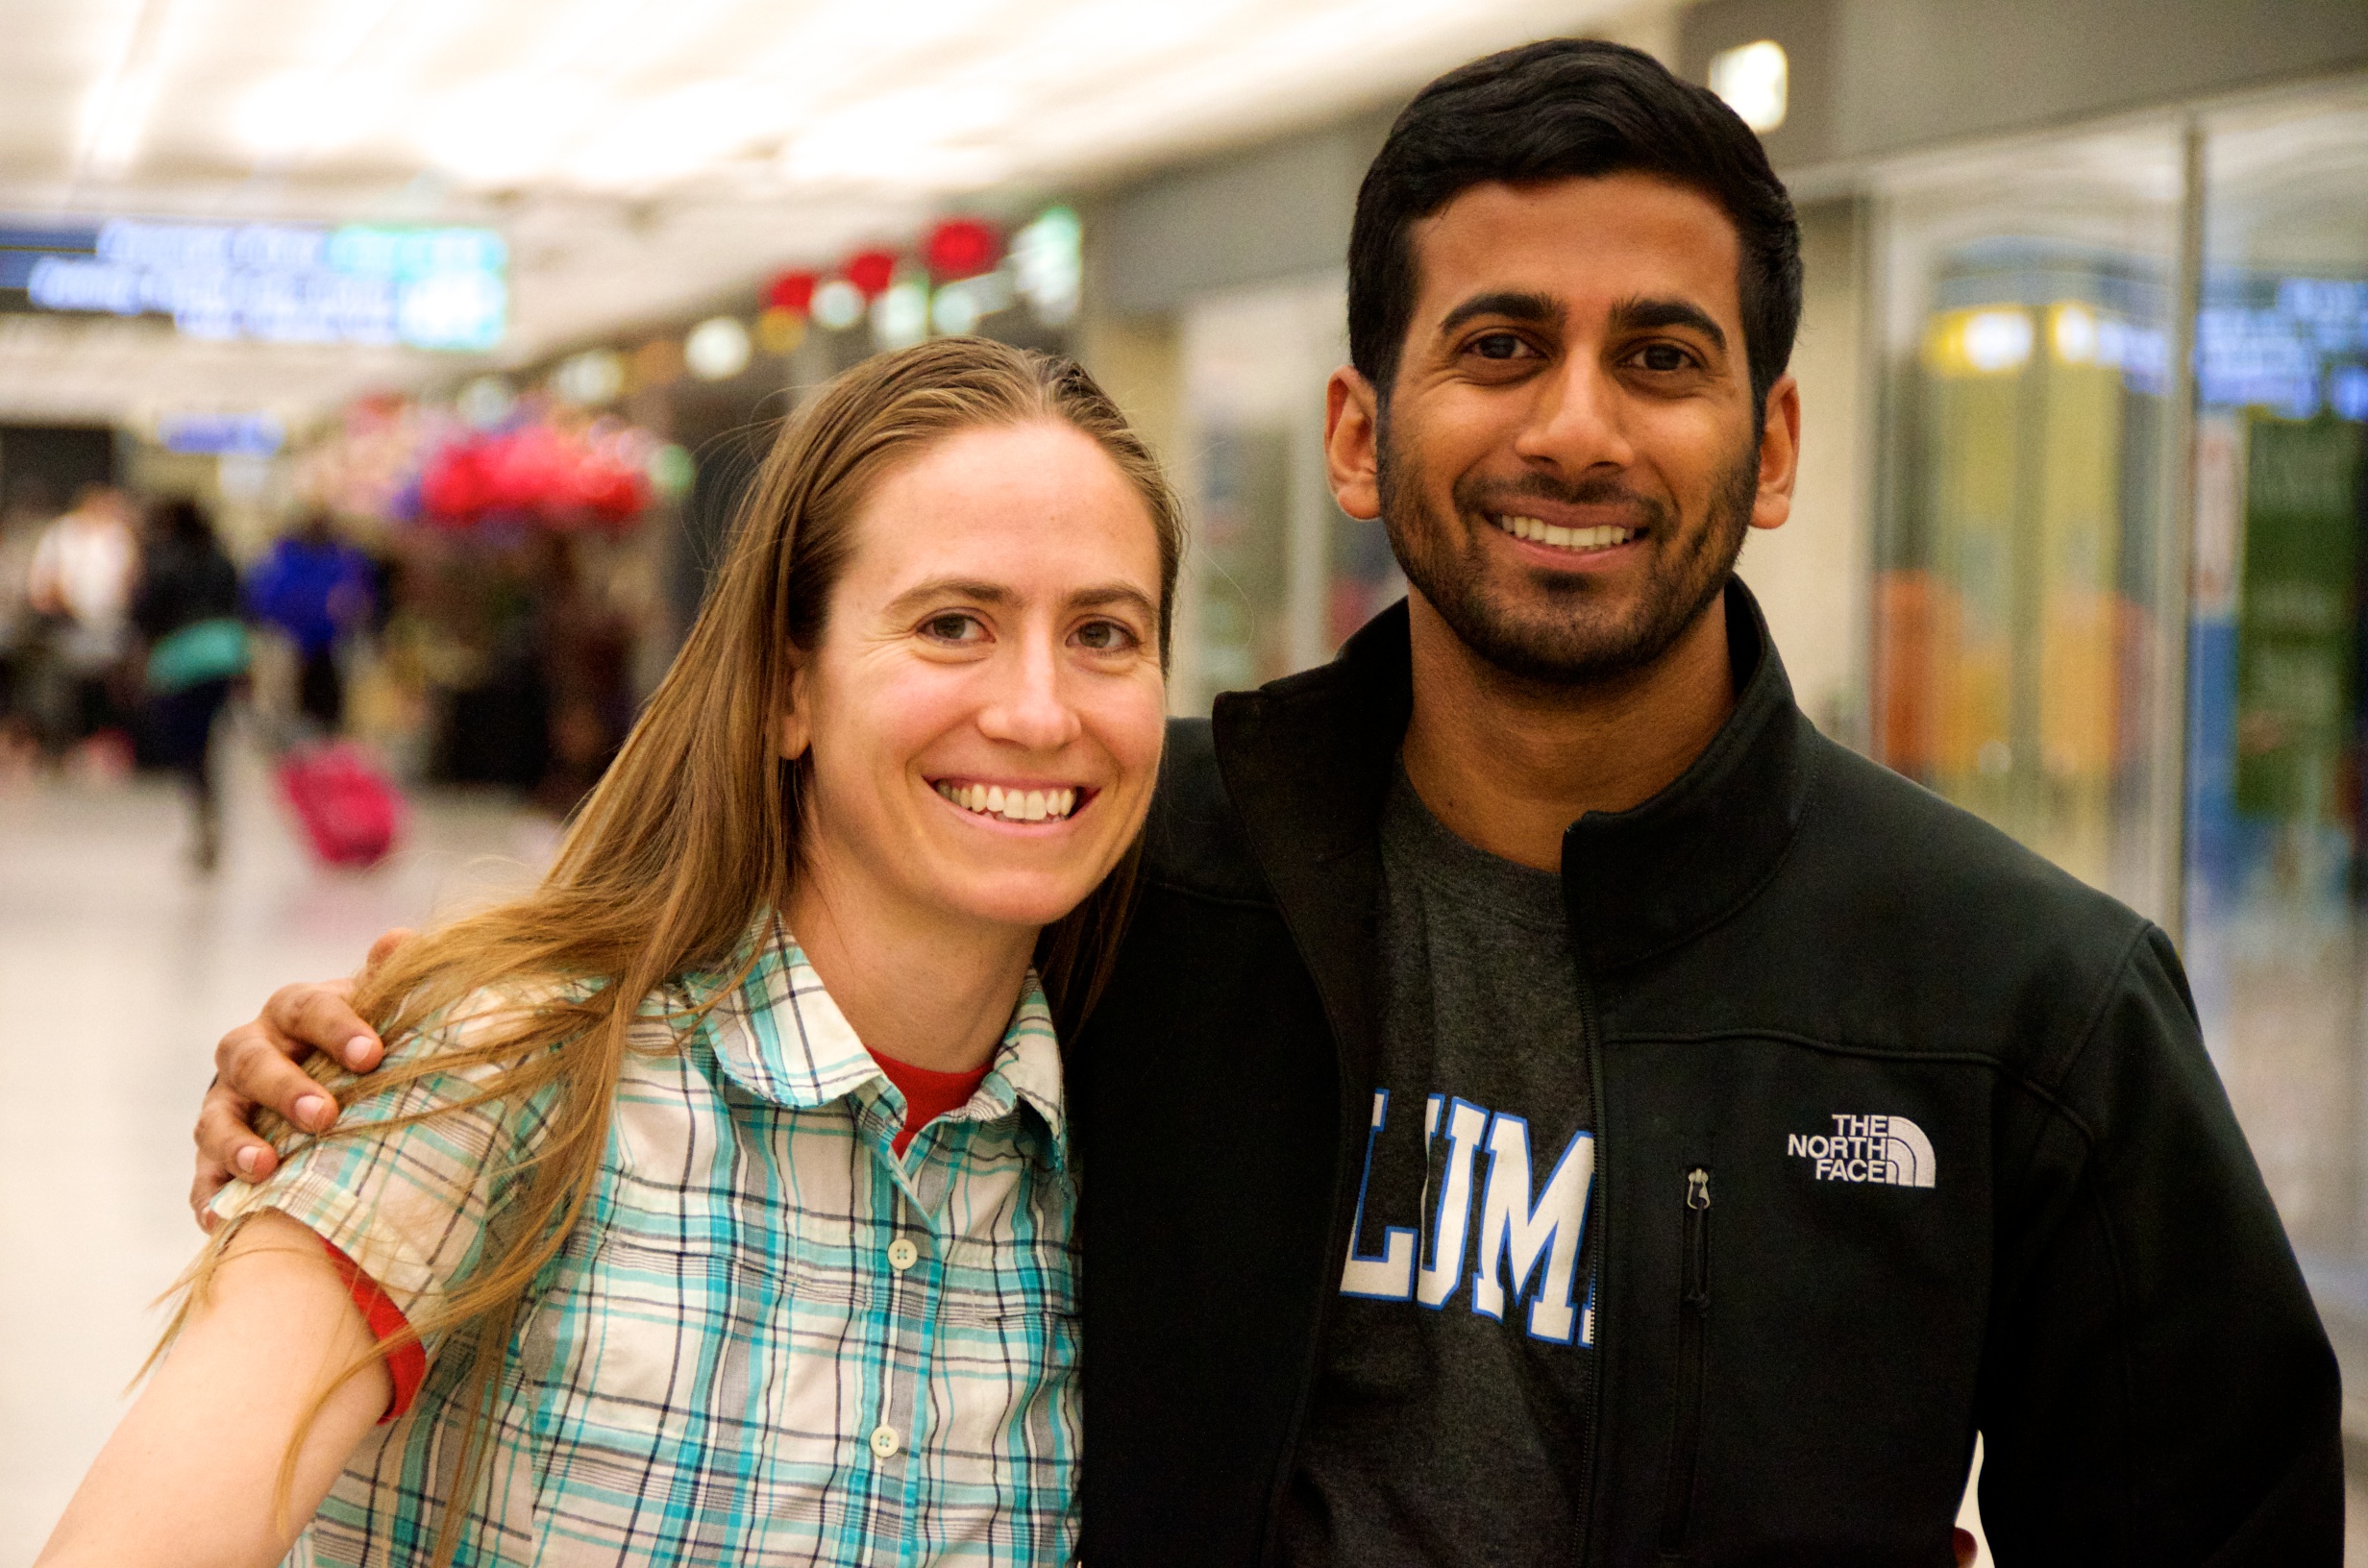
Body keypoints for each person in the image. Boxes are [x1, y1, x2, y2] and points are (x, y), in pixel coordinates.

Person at [193, 40, 2339, 1565]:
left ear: (1768, 449)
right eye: (1496, 346)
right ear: (1355, 424)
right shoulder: (1122, 858)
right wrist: (381, 1049)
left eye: (1660, 360)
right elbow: (722, 981)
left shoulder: (2007, 999)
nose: (1574, 428)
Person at [47, 339, 1177, 1566]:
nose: (1037, 710)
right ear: (787, 689)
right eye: (953, 624)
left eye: (1105, 634)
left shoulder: (1130, 1162)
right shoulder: (503, 1075)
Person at [132, 498, 248, 871]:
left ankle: (202, 819)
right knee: (207, 744)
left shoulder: (165, 558)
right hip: (225, 655)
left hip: (182, 661)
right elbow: (242, 606)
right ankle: (209, 817)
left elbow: (147, 611)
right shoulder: (221, 559)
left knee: (188, 749)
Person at [26, 483, 137, 755]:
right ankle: (61, 743)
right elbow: (45, 582)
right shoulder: (62, 534)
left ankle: (107, 741)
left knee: (113, 685)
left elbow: (130, 580)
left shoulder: (117, 537)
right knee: (62, 686)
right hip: (67, 624)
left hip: (110, 624)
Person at [245, 511, 374, 733]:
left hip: (329, 647)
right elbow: (263, 599)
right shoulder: (286, 558)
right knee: (289, 707)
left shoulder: (344, 559)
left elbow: (361, 601)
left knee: (324, 710)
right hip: (291, 644)